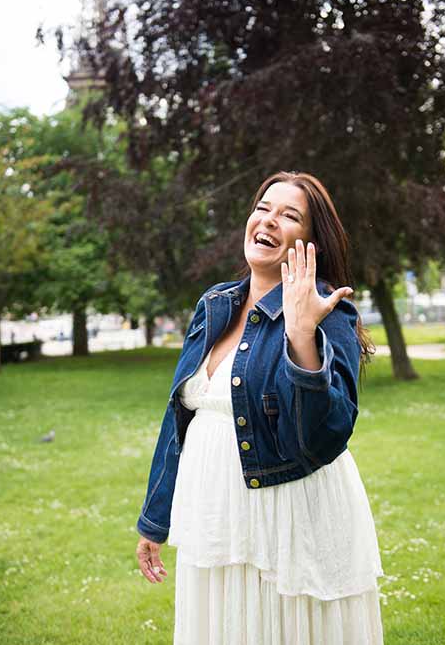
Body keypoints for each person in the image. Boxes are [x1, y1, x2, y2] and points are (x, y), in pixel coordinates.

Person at [135, 171, 383, 643]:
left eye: (289, 215)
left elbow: (324, 436)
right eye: (263, 208)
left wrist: (301, 335)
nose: (268, 220)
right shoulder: (215, 304)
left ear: (311, 243)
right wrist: (156, 518)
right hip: (211, 512)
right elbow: (181, 420)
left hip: (287, 517)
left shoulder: (328, 311)